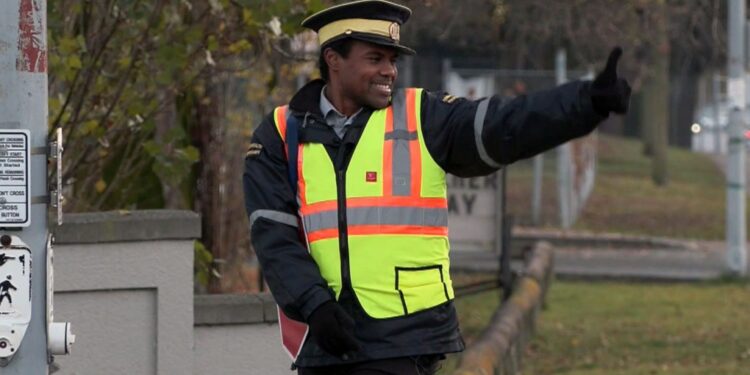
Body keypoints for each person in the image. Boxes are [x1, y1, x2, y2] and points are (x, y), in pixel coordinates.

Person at [243, 1, 631, 374]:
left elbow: (504, 124)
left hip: (405, 341)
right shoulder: (279, 133)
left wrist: (584, 103)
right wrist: (314, 305)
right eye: (375, 59)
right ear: (333, 59)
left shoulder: (422, 116)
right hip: (323, 343)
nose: (389, 72)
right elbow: (274, 236)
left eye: (393, 61)